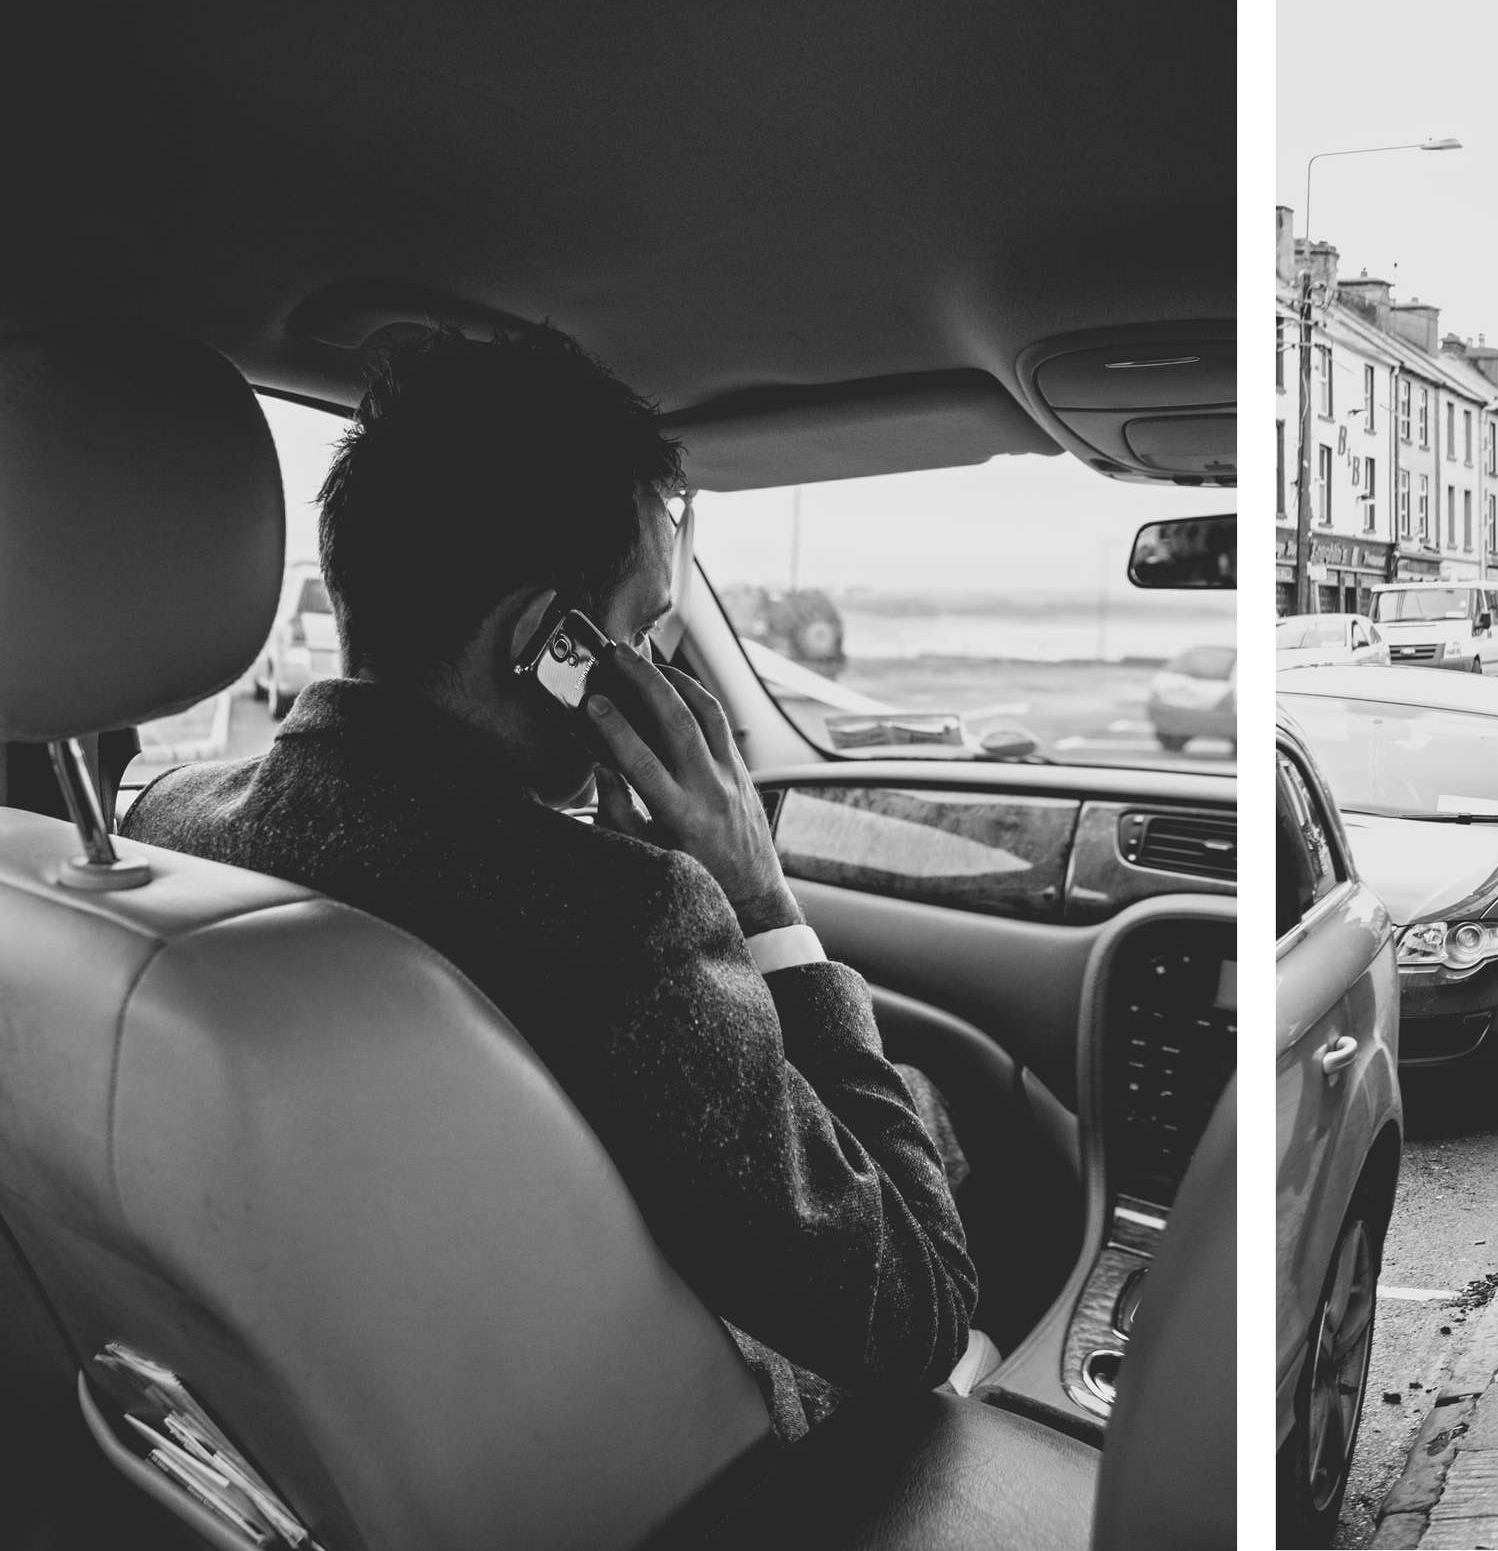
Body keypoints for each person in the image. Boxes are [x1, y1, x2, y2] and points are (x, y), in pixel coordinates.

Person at [122, 326, 977, 1438]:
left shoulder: (166, 824)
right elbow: (919, 1313)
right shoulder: (619, 924)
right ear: (546, 643)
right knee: (945, 1169)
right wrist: (760, 901)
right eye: (637, 633)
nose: (657, 675)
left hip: (283, 1443)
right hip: (687, 1478)